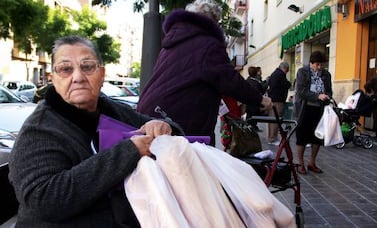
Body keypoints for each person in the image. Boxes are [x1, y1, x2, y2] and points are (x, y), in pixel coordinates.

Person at [8, 35, 177, 227]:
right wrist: (128, 151)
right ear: (53, 78)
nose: (78, 77)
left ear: (102, 74)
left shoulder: (110, 109)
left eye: (87, 67)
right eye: (65, 69)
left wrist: (163, 127)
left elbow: (177, 135)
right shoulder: (39, 129)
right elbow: (44, 200)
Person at [137, 0, 272, 145]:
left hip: (150, 114)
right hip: (177, 121)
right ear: (212, 21)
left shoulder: (172, 43)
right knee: (192, 162)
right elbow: (229, 79)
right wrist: (259, 99)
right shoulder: (208, 44)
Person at [294, 51, 332, 174]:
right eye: (317, 65)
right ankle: (300, 164)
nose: (320, 67)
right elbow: (301, 91)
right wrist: (317, 96)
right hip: (305, 109)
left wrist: (327, 96)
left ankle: (312, 163)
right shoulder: (302, 72)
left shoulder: (326, 74)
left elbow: (330, 90)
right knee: (302, 138)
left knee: (317, 137)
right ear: (311, 63)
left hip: (319, 110)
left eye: (322, 65)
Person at [267, 62, 291, 145]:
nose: (287, 72)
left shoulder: (274, 73)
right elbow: (286, 84)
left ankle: (271, 137)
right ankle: (273, 139)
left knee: (272, 119)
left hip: (273, 99)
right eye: (287, 70)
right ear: (285, 68)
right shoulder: (280, 74)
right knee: (275, 119)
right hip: (278, 101)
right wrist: (289, 83)